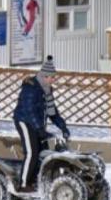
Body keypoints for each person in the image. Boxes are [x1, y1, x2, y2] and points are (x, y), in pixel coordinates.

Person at [12, 58, 70, 192]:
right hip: (24, 121)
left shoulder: (47, 90)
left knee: (43, 153)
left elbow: (52, 111)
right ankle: (24, 184)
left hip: (37, 123)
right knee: (32, 152)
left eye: (54, 78)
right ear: (44, 77)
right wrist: (39, 129)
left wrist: (63, 127)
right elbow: (29, 111)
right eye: (51, 78)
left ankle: (36, 180)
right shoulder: (31, 88)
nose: (53, 80)